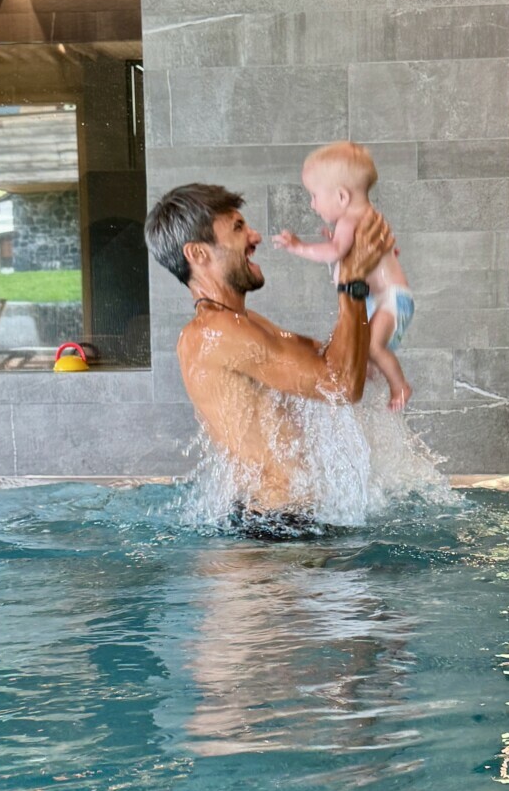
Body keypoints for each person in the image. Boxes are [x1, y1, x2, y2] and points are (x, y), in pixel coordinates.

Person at [143, 182, 396, 536]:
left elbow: (335, 363)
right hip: (274, 532)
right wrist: (351, 282)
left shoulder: (240, 325)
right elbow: (341, 384)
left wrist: (355, 274)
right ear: (198, 254)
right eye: (238, 228)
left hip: (276, 523)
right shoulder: (218, 332)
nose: (255, 236)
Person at [273, 142, 414, 410]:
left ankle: (400, 386)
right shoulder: (368, 216)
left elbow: (334, 253)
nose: (312, 204)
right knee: (358, 348)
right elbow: (349, 251)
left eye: (314, 195)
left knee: (372, 347)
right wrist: (337, 242)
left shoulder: (349, 220)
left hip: (391, 299)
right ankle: (371, 372)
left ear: (341, 197)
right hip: (382, 298)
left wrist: (298, 247)